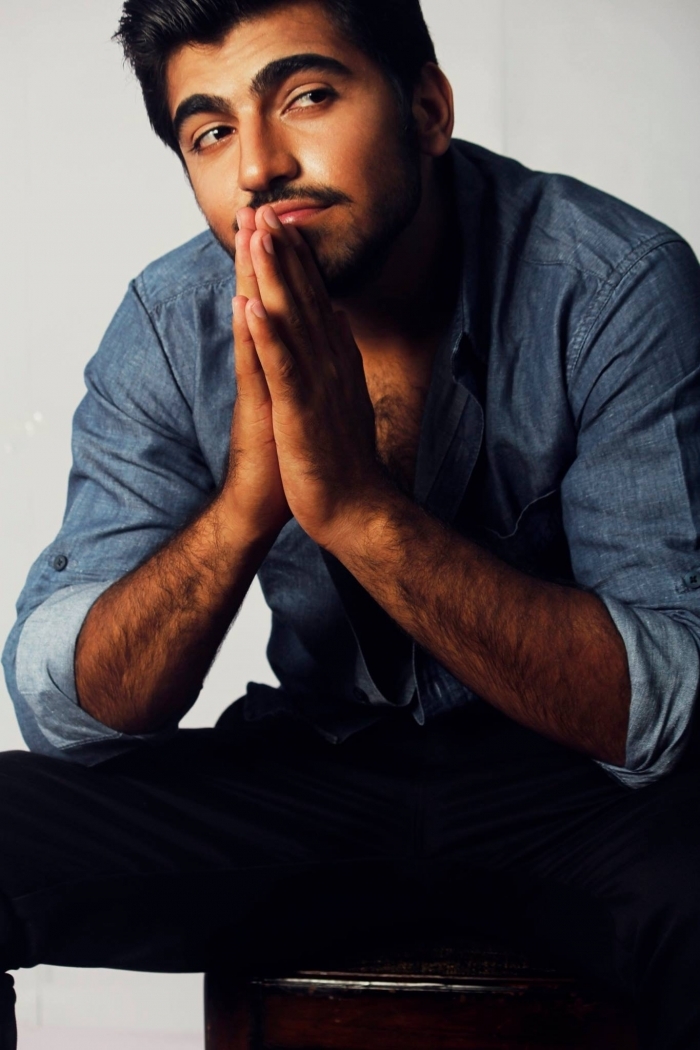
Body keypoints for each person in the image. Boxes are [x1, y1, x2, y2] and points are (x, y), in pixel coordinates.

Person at [2, 0, 700, 1046]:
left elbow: (662, 712)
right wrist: (246, 509)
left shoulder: (609, 284)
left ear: (427, 109)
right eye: (212, 132)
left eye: (308, 97)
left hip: (579, 793)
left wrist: (359, 513)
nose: (259, 167)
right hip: (319, 770)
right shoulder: (170, 320)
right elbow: (68, 713)